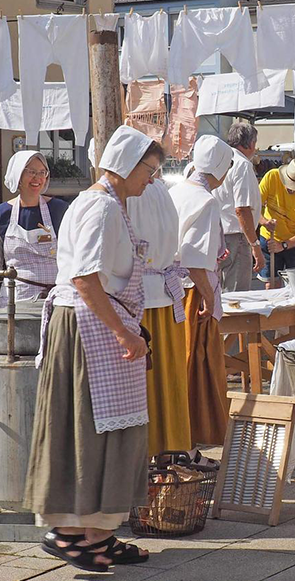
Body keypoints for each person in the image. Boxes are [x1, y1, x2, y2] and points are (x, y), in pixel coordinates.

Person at [23, 125, 158, 572]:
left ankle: (99, 532)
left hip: (99, 323)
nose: (152, 179)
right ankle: (68, 531)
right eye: (149, 169)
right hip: (88, 328)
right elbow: (84, 278)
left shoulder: (111, 206)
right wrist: (123, 334)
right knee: (86, 430)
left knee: (111, 433)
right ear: (125, 166)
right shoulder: (99, 207)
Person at [127, 151, 192, 456]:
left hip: (138, 298)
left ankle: (150, 447)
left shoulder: (130, 195)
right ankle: (173, 442)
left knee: (147, 380)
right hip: (164, 293)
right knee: (169, 375)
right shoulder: (163, 191)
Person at [170, 135, 234, 447]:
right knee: (197, 361)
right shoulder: (206, 201)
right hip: (194, 291)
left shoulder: (176, 190)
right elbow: (196, 259)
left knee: (181, 361)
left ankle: (181, 434)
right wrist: (209, 297)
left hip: (173, 289)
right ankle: (195, 433)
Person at [0, 152, 68, 308]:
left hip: (56, 299)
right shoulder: (1, 214)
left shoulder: (59, 210)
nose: (37, 178)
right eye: (31, 172)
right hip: (15, 300)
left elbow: (74, 256)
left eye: (42, 172)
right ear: (18, 175)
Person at [214, 120, 265, 291]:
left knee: (221, 291)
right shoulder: (241, 165)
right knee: (236, 294)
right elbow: (242, 209)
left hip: (220, 232)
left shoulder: (220, 159)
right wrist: (255, 245)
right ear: (251, 143)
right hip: (236, 236)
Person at [258, 158, 295, 286]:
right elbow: (254, 207)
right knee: (271, 284)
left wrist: (284, 245)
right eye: (290, 184)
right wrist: (264, 222)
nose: (293, 189)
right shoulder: (271, 177)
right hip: (271, 239)